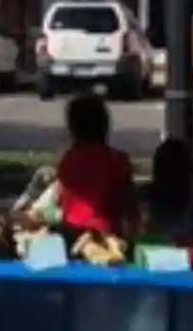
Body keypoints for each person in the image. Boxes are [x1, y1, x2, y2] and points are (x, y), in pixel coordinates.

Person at [55, 94, 140, 235]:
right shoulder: (117, 160)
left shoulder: (68, 160)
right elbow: (127, 201)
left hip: (71, 230)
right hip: (106, 231)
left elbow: (61, 198)